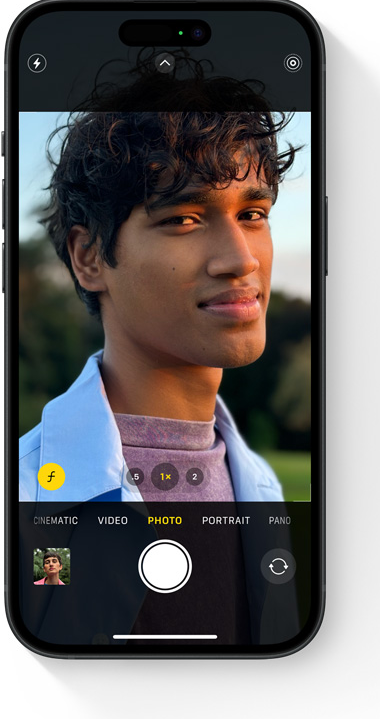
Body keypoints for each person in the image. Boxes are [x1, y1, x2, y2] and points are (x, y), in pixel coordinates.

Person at [19, 103, 297, 504]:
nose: (242, 260)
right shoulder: (20, 497)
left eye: (252, 214)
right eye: (183, 219)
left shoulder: (264, 490)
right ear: (88, 257)